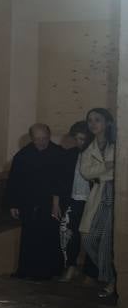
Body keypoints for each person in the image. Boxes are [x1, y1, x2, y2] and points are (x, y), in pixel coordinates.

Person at [4, 124, 65, 281]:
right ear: (32, 139)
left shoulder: (58, 153)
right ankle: (27, 270)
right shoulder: (23, 155)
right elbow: (14, 181)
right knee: (29, 237)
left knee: (50, 237)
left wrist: (56, 203)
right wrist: (13, 204)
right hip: (28, 203)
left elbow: (61, 181)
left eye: (44, 138)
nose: (42, 142)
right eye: (38, 139)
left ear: (49, 136)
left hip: (50, 203)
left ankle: (50, 271)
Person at [79, 107, 118, 303]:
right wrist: (106, 167)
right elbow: (86, 172)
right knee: (86, 236)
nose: (93, 124)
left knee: (107, 242)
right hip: (98, 195)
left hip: (117, 196)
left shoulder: (118, 143)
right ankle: (111, 276)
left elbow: (118, 172)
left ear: (107, 122)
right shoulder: (89, 148)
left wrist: (101, 172)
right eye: (90, 120)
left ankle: (112, 282)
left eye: (97, 119)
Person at [58, 121, 93, 282]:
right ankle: (71, 266)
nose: (79, 142)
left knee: (91, 237)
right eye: (77, 139)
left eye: (82, 139)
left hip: (92, 201)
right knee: (72, 235)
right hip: (75, 200)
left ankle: (90, 272)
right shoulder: (70, 154)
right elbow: (61, 180)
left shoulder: (95, 155)